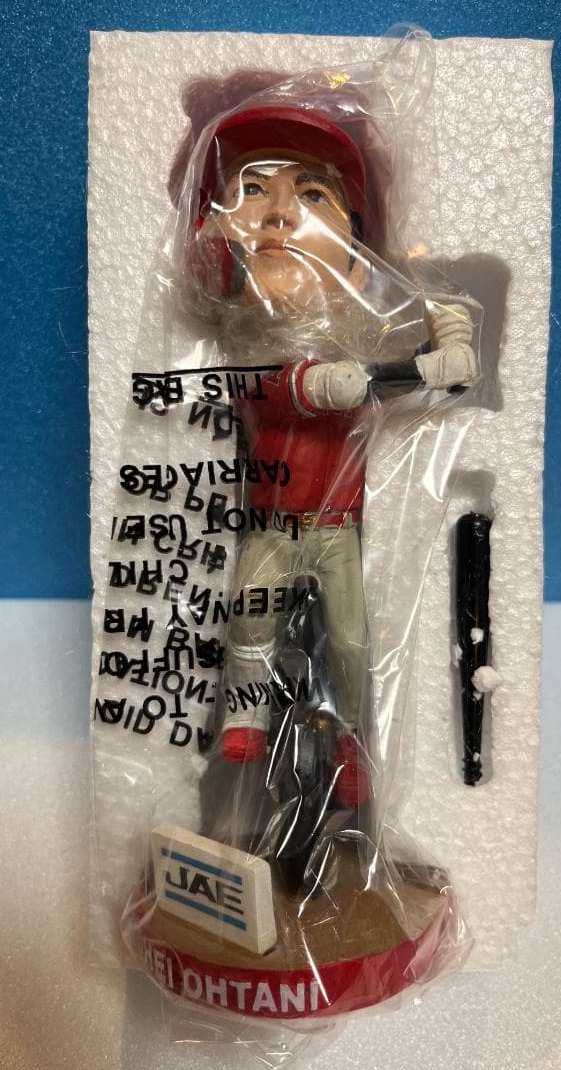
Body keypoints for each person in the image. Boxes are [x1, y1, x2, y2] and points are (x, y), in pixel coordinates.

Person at [176, 88, 477, 808]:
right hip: (273, 523)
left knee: (351, 639)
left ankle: (351, 739)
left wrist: (451, 337)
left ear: (356, 258)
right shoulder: (249, 348)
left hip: (339, 527)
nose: (280, 214)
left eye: (311, 194)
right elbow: (305, 388)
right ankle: (245, 716)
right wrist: (382, 374)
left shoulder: (363, 327)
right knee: (250, 611)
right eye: (251, 189)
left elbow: (414, 343)